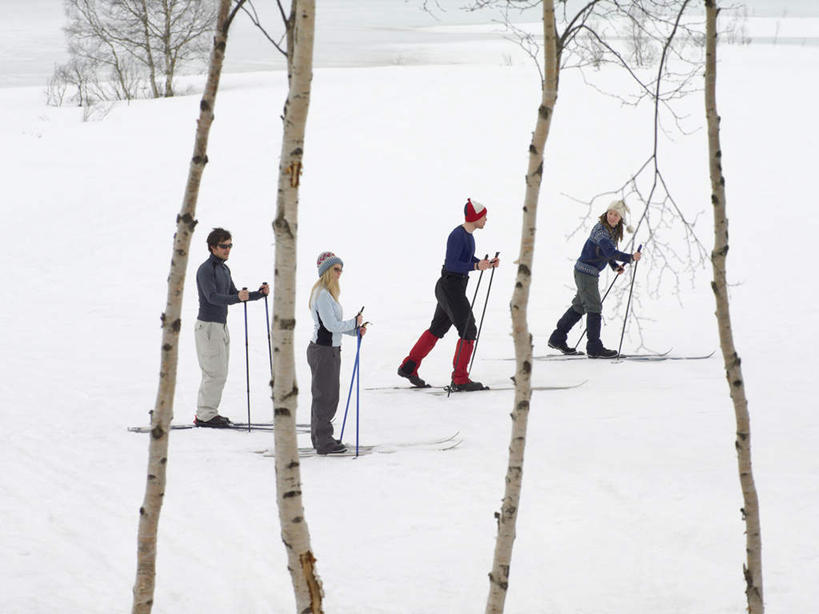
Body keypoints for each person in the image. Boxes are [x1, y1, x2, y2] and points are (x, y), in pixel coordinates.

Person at [397, 198, 500, 391]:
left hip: (453, 287)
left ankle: (408, 367)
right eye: (483, 216)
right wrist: (476, 266)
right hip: (450, 287)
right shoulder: (457, 235)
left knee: (437, 329)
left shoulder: (469, 236)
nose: (486, 219)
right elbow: (452, 264)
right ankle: (460, 379)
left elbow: (466, 259)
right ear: (475, 217)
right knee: (468, 329)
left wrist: (486, 263)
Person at [194, 228, 269, 427]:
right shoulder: (205, 269)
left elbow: (234, 294)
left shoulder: (224, 269)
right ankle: (205, 416)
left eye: (230, 245)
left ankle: (209, 413)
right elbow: (212, 297)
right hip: (208, 327)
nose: (227, 249)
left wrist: (257, 294)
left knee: (220, 372)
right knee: (214, 372)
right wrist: (237, 297)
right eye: (223, 246)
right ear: (212, 247)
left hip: (220, 327)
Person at [547, 200, 641, 358]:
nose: (612, 217)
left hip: (587, 272)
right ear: (606, 213)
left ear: (620, 219)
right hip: (586, 273)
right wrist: (630, 257)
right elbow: (610, 251)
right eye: (610, 213)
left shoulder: (611, 231)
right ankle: (594, 347)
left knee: (580, 306)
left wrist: (614, 266)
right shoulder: (601, 231)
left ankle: (557, 338)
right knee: (594, 307)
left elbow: (605, 253)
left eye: (616, 215)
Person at [307, 251, 366, 455]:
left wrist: (355, 330)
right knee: (327, 396)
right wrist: (353, 323)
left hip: (327, 349)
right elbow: (331, 325)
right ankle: (324, 441)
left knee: (324, 394)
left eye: (341, 269)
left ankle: (320, 437)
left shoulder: (326, 293)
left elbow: (333, 327)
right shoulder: (322, 294)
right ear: (326, 271)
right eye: (336, 269)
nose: (339, 273)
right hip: (324, 352)